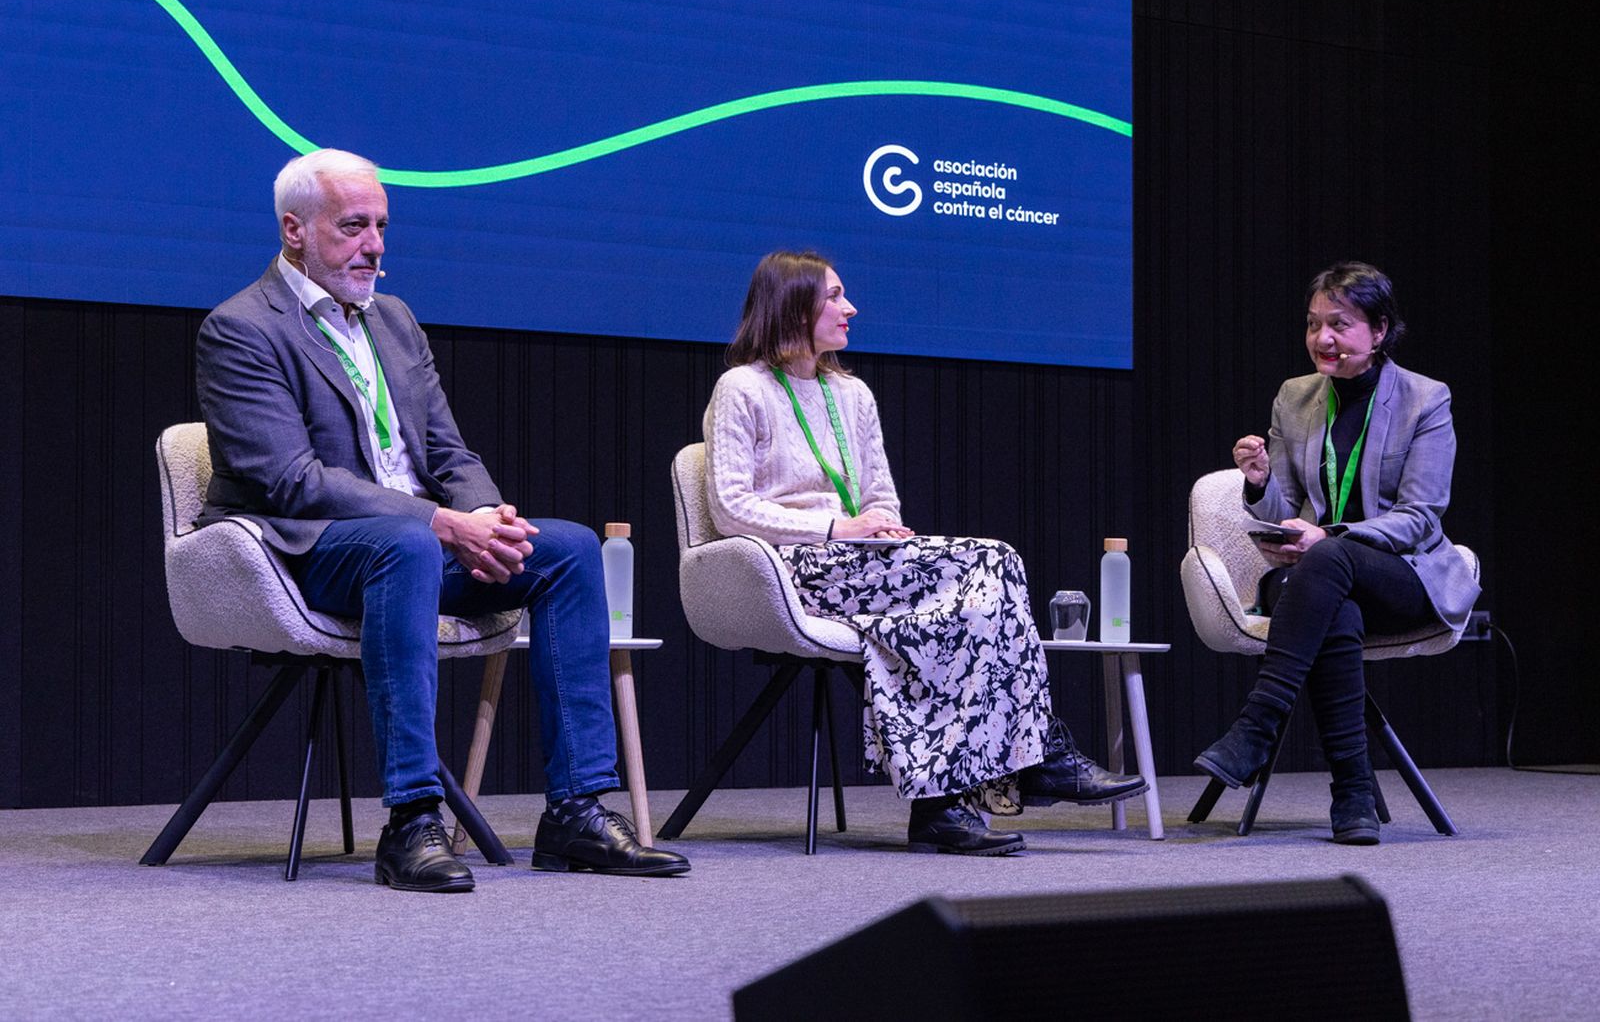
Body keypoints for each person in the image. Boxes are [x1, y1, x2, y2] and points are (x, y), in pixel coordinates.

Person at [195, 149, 689, 890]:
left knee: (569, 550)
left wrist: (485, 515)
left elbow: (447, 450)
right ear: (295, 230)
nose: (375, 244)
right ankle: (413, 819)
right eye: (354, 226)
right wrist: (439, 523)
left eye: (382, 226)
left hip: (417, 542)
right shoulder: (240, 328)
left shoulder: (393, 320)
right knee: (406, 545)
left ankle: (577, 809)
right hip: (310, 553)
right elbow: (292, 481)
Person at [702, 250, 1147, 856]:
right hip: (791, 569)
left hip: (861, 562)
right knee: (988, 565)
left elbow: (881, 495)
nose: (849, 307)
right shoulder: (741, 388)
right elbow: (730, 506)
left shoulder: (851, 394)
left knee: (983, 582)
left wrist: (884, 530)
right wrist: (839, 529)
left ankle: (951, 805)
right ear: (792, 305)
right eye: (833, 296)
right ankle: (1033, 754)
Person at [1194, 262, 1480, 844]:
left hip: (1402, 576)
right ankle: (1352, 795)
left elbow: (1421, 517)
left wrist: (1331, 537)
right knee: (1334, 606)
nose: (1323, 339)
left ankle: (1257, 725)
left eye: (1340, 325)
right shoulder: (1294, 398)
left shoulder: (1427, 400)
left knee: (1330, 562)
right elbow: (1289, 510)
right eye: (1314, 324)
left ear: (1378, 331)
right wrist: (1258, 484)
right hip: (1321, 583)